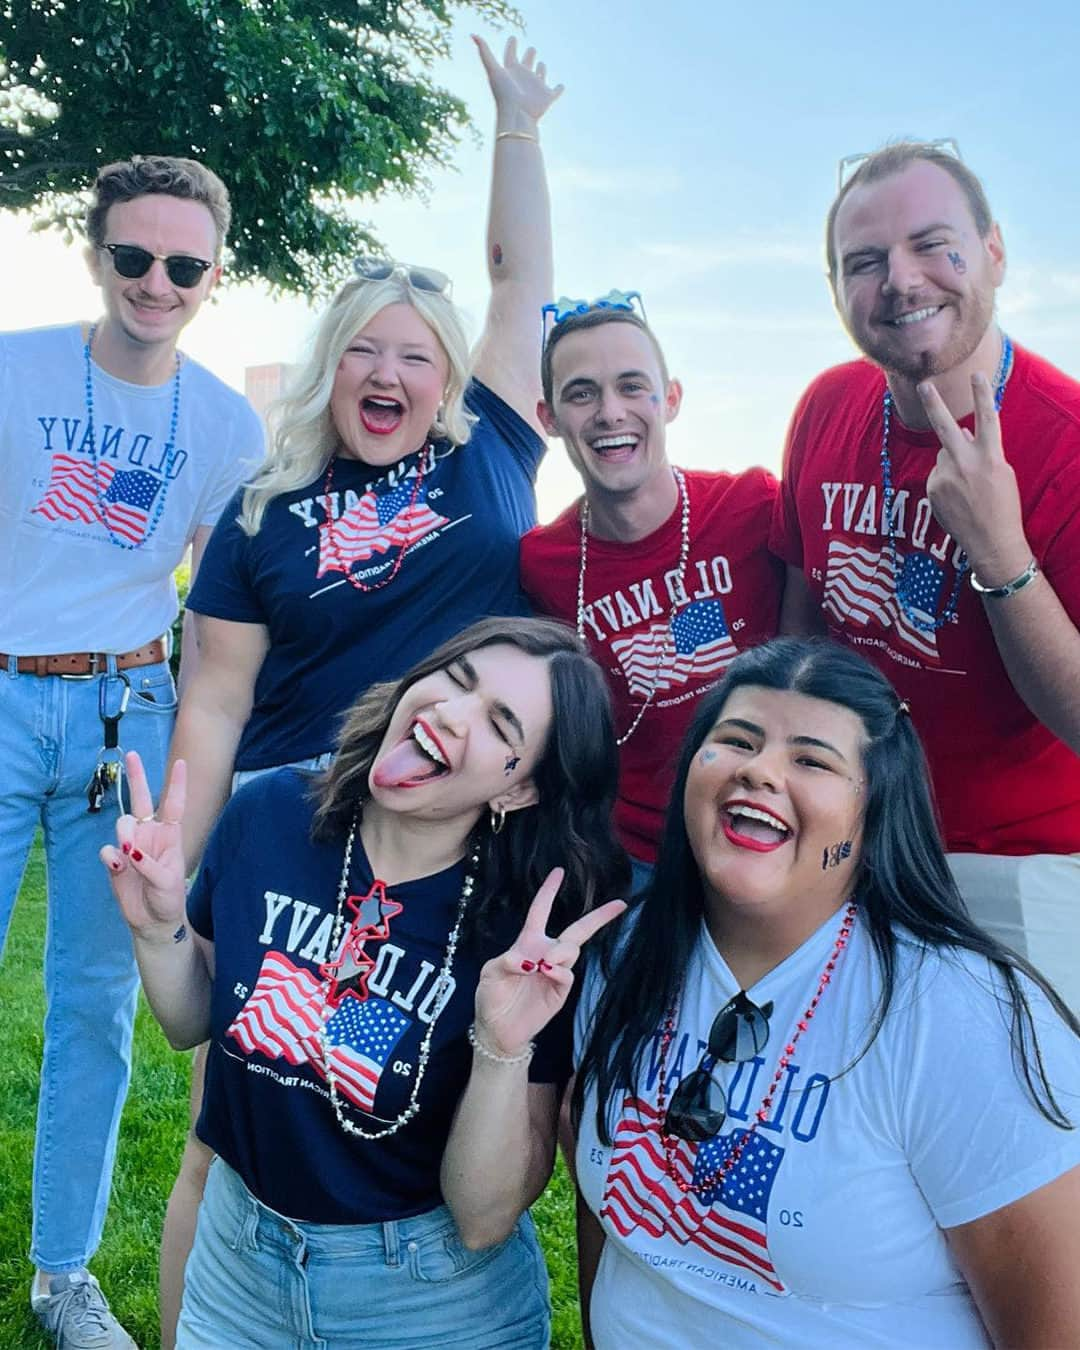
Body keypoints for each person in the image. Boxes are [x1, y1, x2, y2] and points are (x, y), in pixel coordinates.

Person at [156, 37, 566, 1341]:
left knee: (434, 1101)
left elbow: (520, 282)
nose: (390, 376)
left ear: (449, 378)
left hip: (450, 836)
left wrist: (514, 126)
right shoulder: (259, 510)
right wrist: (177, 839)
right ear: (333, 362)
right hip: (292, 832)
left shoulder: (491, 453)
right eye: (365, 353)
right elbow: (216, 700)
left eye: (418, 357)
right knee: (231, 1133)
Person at [102, 617, 627, 1348]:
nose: (451, 711)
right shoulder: (272, 815)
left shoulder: (524, 934)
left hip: (424, 1304)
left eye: (500, 721)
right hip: (238, 1270)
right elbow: (192, 1021)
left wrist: (502, 1046)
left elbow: (482, 1219)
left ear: (522, 788)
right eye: (457, 678)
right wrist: (160, 929)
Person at [565, 637, 1080, 1347]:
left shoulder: (962, 1014)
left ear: (873, 814)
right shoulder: (620, 955)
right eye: (737, 740)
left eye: (812, 760)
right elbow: (611, 1234)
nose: (760, 771)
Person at [0, 155, 262, 1346]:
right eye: (134, 257)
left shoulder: (225, 422)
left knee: (99, 1005)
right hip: (1, 694)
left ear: (215, 274)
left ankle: (63, 1277)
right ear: (98, 254)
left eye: (184, 264)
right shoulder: (16, 370)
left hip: (129, 719)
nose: (157, 282)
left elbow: (227, 605)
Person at [770, 140, 1080, 1010]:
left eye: (931, 244)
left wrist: (1002, 556)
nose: (900, 282)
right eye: (863, 263)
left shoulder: (1066, 441)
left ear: (995, 251)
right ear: (837, 292)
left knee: (1031, 1130)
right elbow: (804, 627)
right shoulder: (827, 405)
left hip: (1021, 865)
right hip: (855, 840)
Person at [521, 298, 784, 893]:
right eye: (582, 393)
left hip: (765, 839)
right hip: (633, 862)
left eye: (631, 387)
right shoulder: (542, 562)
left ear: (670, 398)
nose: (610, 413)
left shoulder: (753, 506)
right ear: (550, 416)